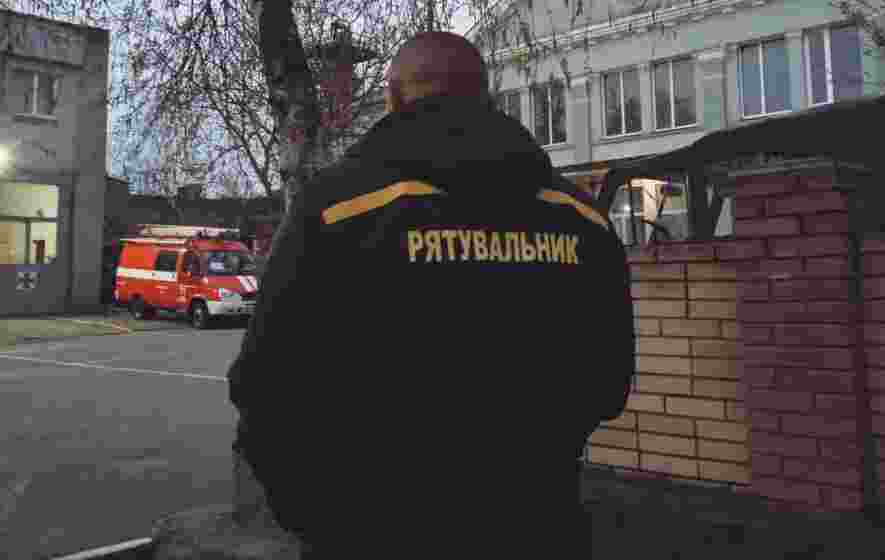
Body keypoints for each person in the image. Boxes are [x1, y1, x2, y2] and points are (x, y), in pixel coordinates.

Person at [227, 31, 635, 558]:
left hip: (375, 531)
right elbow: (609, 383)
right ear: (484, 96)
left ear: (395, 99)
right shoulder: (582, 218)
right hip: (539, 526)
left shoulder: (337, 210)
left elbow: (266, 386)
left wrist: (318, 517)